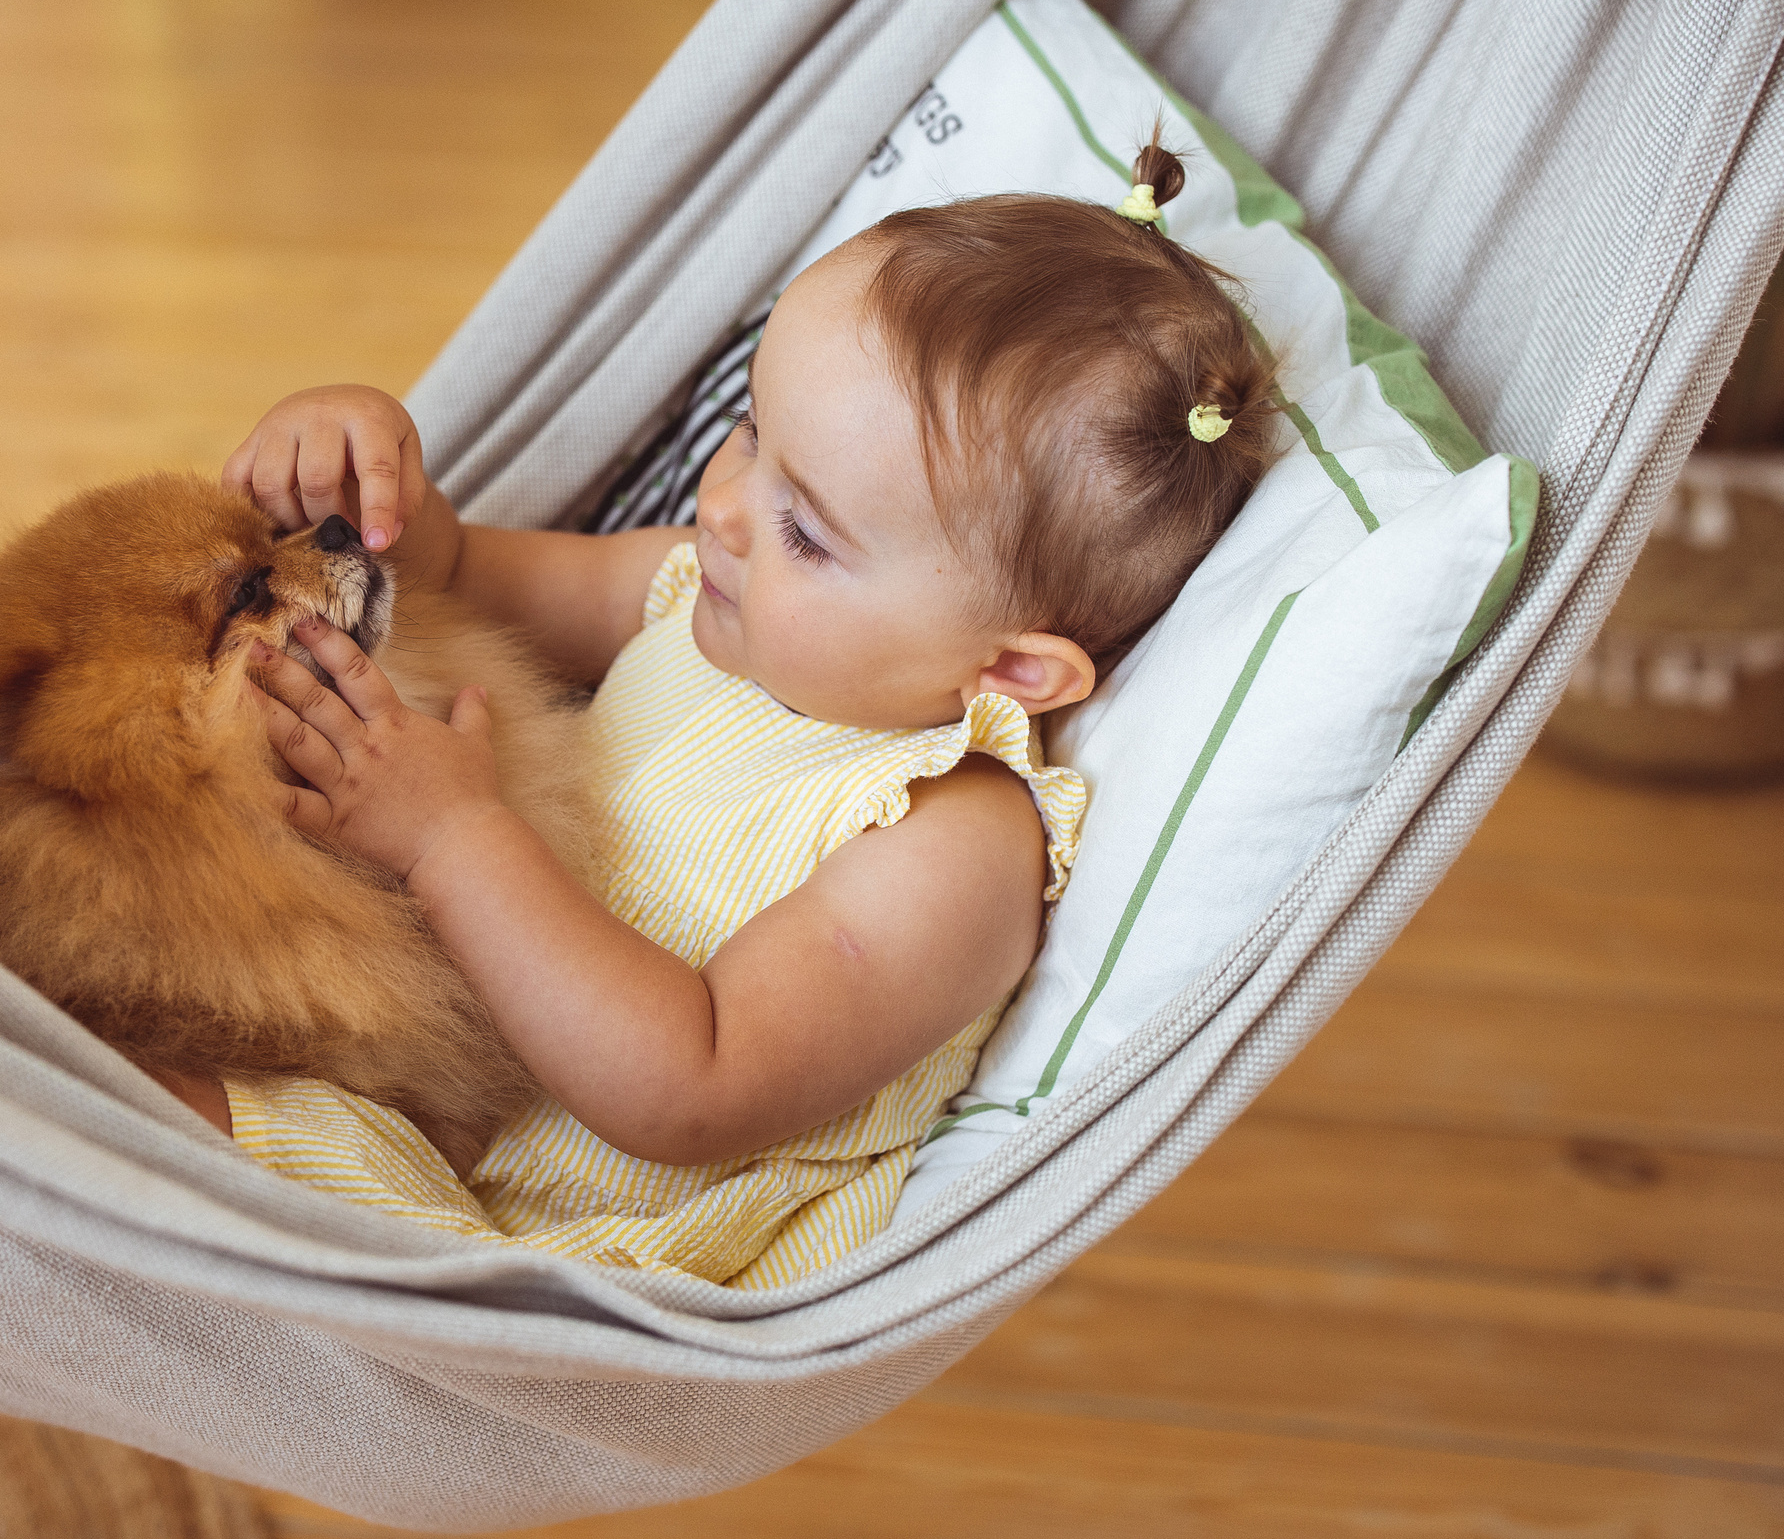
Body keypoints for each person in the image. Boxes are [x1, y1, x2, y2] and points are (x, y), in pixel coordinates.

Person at [218, 141, 1277, 1286]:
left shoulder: (949, 840)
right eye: (751, 435)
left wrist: (451, 839)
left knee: (135, 1102)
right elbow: (461, 570)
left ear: (1012, 672)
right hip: (411, 1084)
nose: (721, 507)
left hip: (556, 1254)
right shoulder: (692, 586)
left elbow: (689, 1085)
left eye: (807, 531)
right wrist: (360, 466)